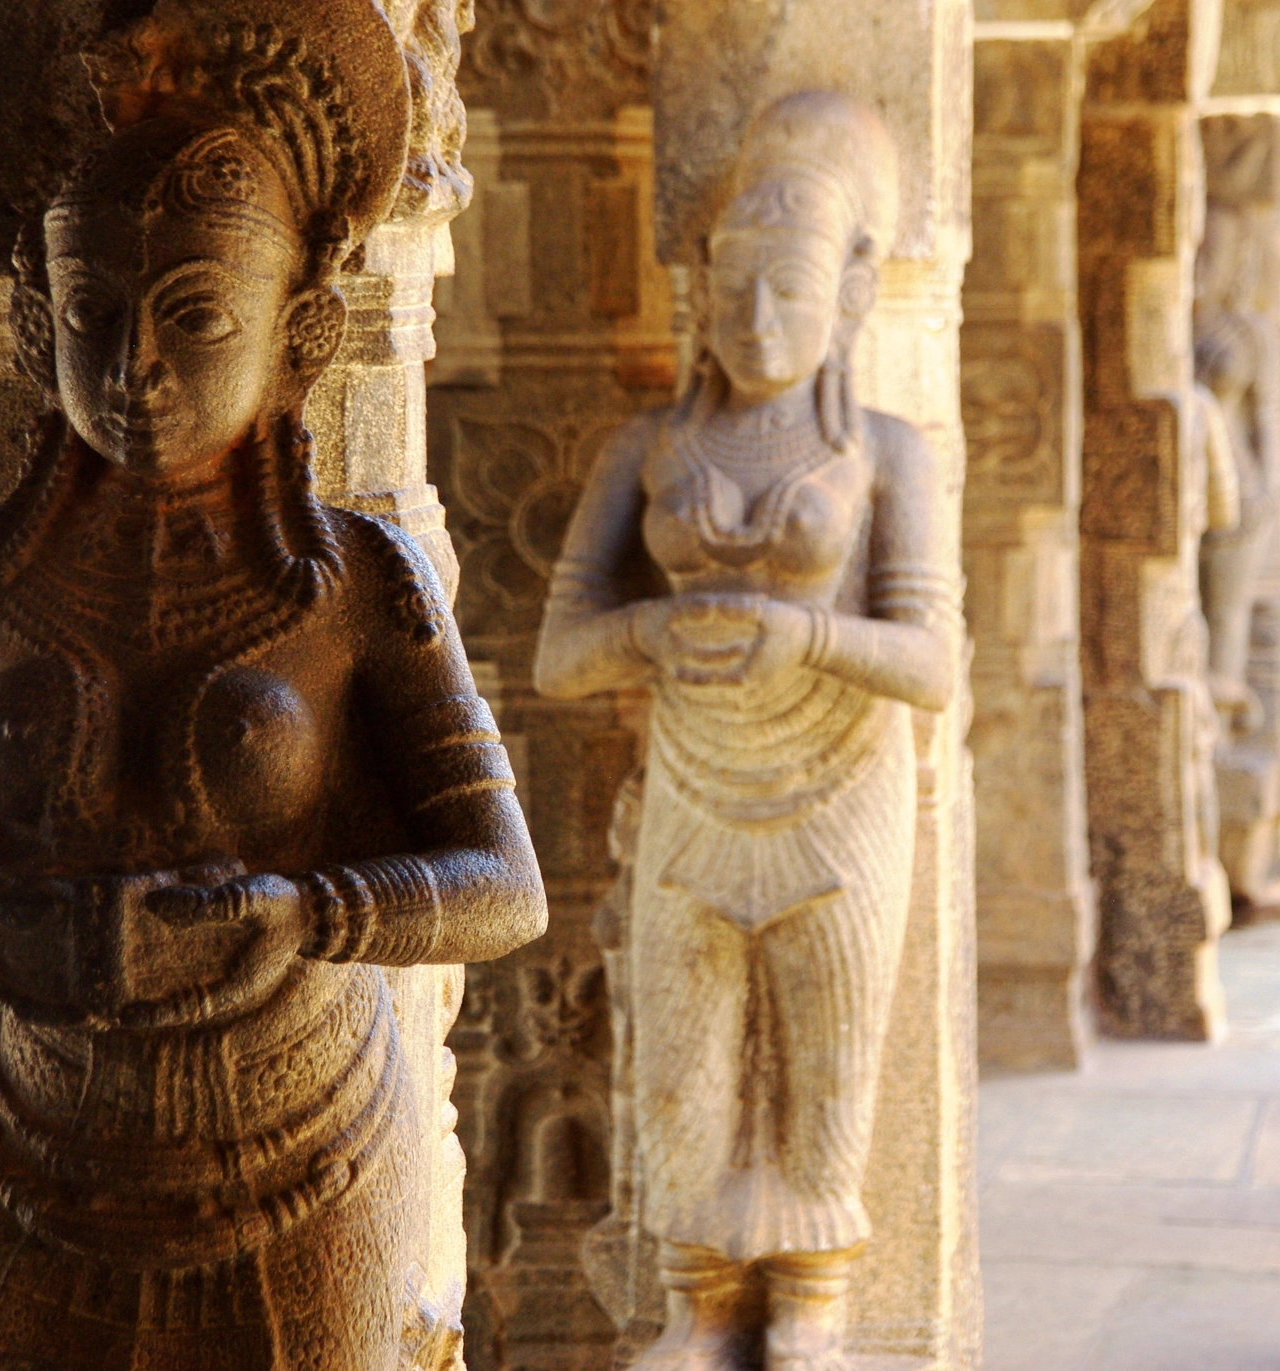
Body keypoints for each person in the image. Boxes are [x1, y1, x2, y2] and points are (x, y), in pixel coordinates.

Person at [0, 4, 546, 1365]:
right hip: (37, 1123)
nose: (133, 364)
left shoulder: (350, 581)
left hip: (306, 1135)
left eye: (195, 314)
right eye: (94, 313)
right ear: (39, 324)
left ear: (298, 331)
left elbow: (504, 883)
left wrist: (303, 910)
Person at [535, 90, 961, 1371]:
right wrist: (650, 636)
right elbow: (561, 653)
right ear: (700, 294)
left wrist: (808, 637)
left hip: (840, 791)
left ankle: (813, 1306)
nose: (758, 320)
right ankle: (700, 1303)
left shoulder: (887, 453)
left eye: (786, 290)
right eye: (732, 291)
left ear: (849, 292)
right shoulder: (647, 449)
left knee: (829, 1073)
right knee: (680, 1075)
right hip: (693, 790)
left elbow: (935, 664)